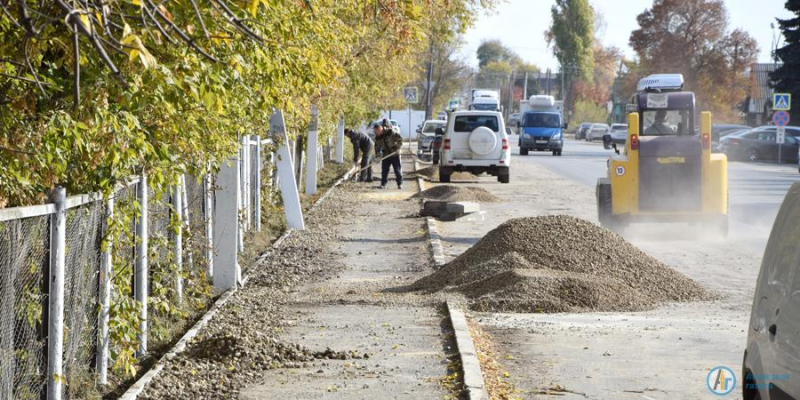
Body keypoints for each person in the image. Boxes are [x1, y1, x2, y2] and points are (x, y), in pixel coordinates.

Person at [373, 120, 404, 189]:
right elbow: (377, 148)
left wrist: (398, 148)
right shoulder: (377, 137)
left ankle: (400, 183)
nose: (375, 133)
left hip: (395, 154)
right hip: (386, 155)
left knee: (397, 170)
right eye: (374, 131)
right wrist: (377, 156)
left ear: (380, 129)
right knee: (384, 170)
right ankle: (383, 184)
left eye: (376, 131)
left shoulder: (391, 132)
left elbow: (400, 139)